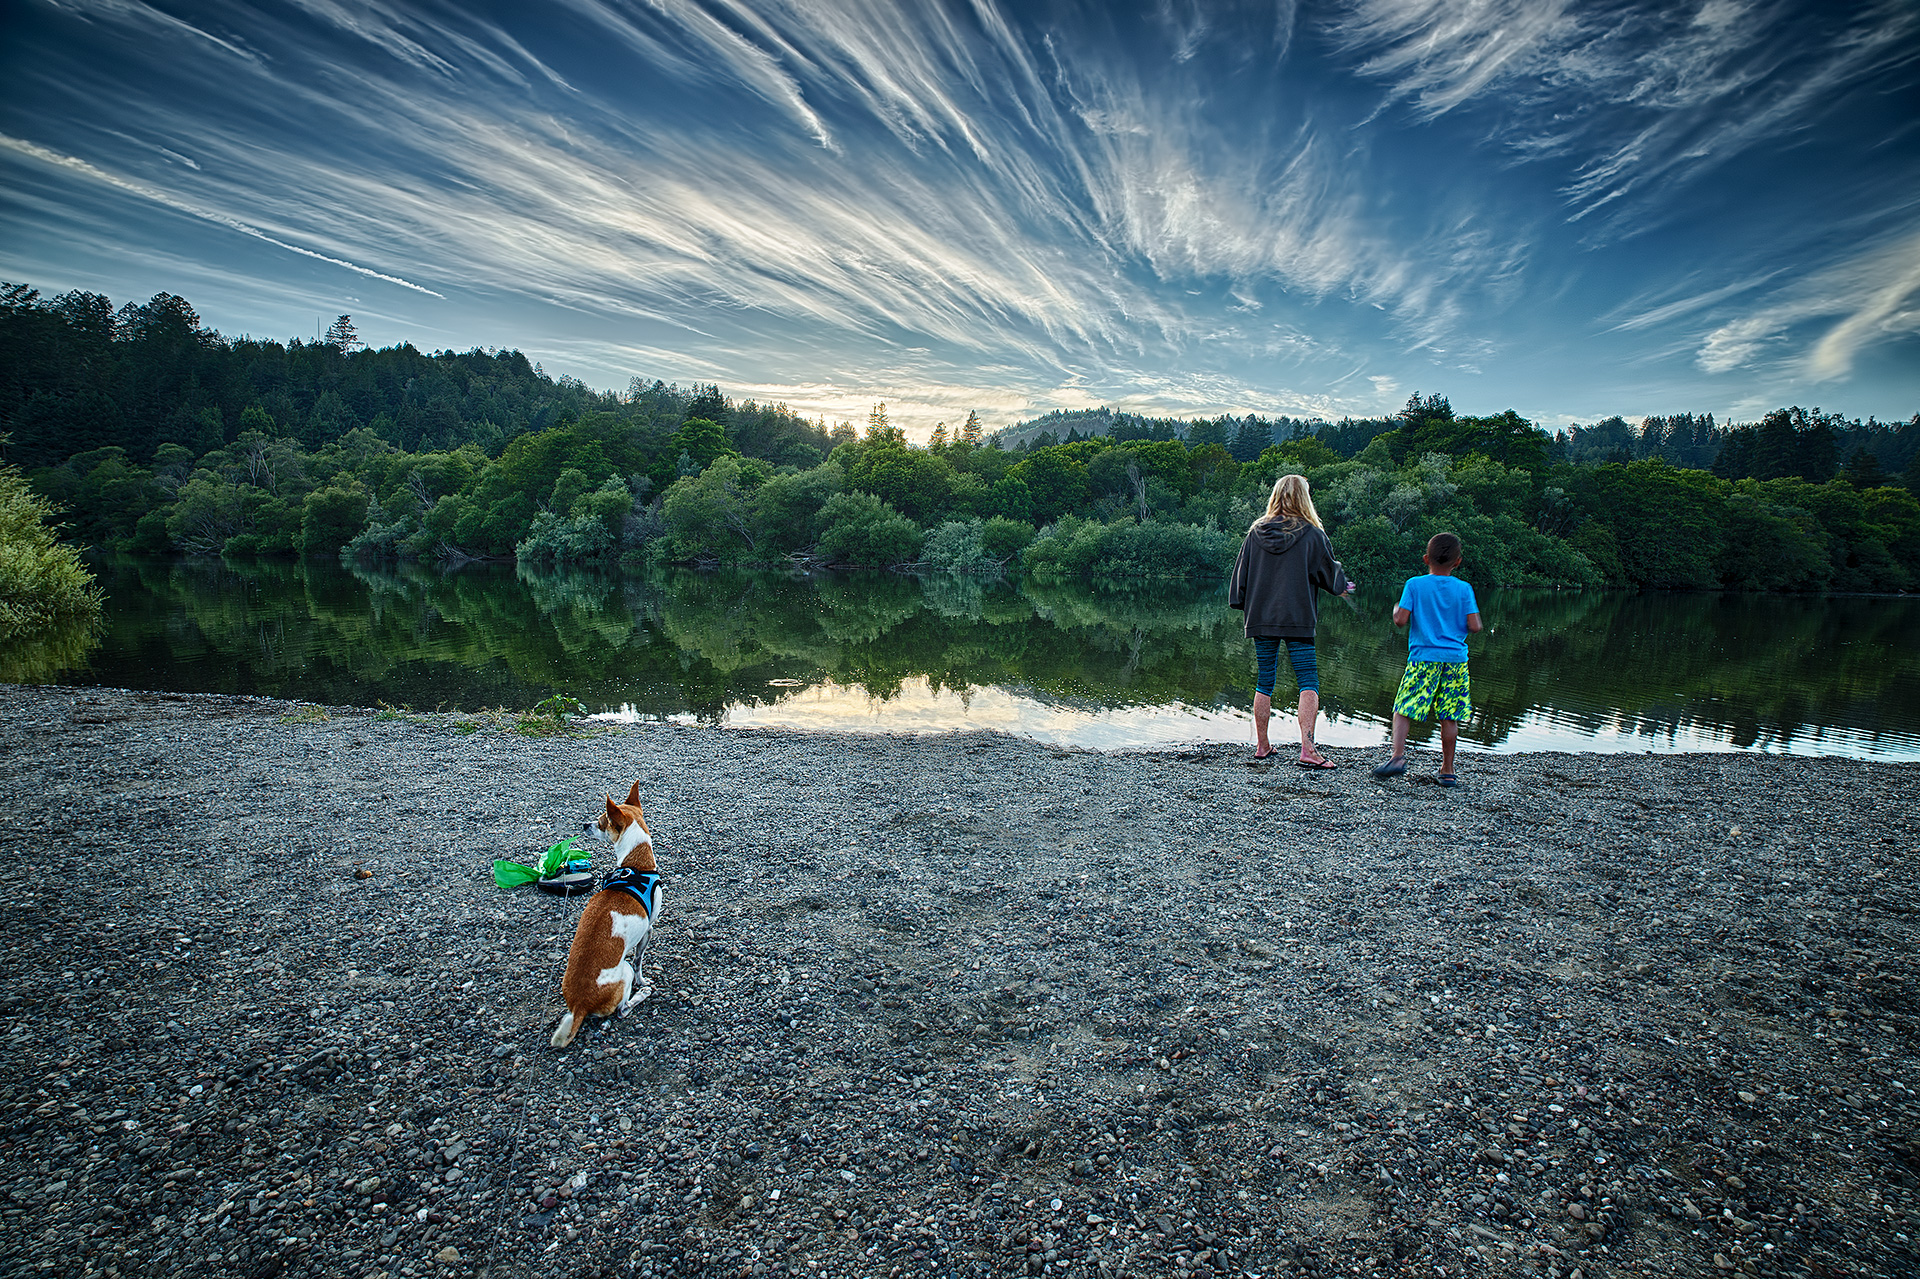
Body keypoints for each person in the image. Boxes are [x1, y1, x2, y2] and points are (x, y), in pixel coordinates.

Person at [1228, 473, 1354, 767]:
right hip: (1297, 617)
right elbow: (1332, 579)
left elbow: (1240, 577)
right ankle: (1308, 751)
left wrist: (1241, 603)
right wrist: (1343, 585)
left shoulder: (1255, 532)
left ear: (1275, 496)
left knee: (1265, 679)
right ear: (1304, 498)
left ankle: (1262, 746)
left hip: (1262, 616)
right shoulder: (1313, 534)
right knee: (1308, 680)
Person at [1372, 532, 1482, 786]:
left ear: (1426, 559)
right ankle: (1447, 769)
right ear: (1458, 562)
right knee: (1449, 715)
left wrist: (1395, 609)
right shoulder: (1464, 589)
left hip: (1423, 659)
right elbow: (1475, 626)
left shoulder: (1415, 584)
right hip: (1455, 661)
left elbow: (1400, 620)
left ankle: (1398, 757)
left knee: (1404, 707)